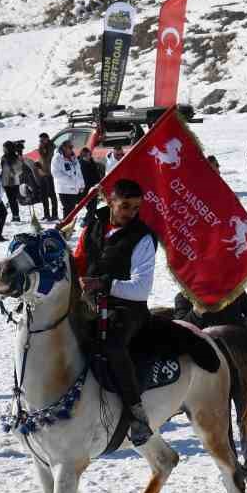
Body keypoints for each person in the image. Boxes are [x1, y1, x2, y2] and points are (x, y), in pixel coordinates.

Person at [69, 179, 158, 444]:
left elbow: (141, 288)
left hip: (127, 308)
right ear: (110, 201)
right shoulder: (94, 224)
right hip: (88, 301)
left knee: (112, 345)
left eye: (135, 208)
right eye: (125, 206)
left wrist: (103, 283)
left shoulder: (143, 237)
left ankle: (136, 412)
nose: (131, 213)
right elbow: (80, 260)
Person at [174, 288, 247, 485]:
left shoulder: (233, 290)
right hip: (211, 370)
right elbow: (180, 329)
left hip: (242, 364)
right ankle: (233, 469)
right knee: (221, 421)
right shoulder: (184, 297)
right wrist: (196, 312)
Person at [51, 140, 86, 219]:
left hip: (74, 189)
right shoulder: (57, 158)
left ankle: (69, 228)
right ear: (63, 147)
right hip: (63, 189)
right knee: (67, 210)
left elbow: (78, 172)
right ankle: (65, 228)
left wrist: (81, 184)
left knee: (72, 211)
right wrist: (71, 181)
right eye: (69, 147)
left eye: (72, 147)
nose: (71, 149)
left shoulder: (74, 157)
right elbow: (56, 174)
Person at [0, 142, 26, 222]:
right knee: (11, 200)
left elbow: (20, 169)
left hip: (13, 181)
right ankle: (15, 215)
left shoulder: (15, 157)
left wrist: (13, 173)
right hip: (6, 181)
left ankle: (16, 216)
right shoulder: (4, 157)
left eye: (5, 148)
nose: (3, 149)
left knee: (12, 199)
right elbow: (3, 168)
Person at [35, 134, 59, 220]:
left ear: (47, 139)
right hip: (42, 173)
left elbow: (48, 160)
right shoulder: (41, 147)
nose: (41, 142)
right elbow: (42, 159)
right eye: (40, 140)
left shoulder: (52, 148)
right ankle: (46, 214)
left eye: (42, 140)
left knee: (52, 194)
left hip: (50, 174)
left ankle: (54, 214)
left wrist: (43, 150)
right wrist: (38, 163)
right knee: (44, 195)